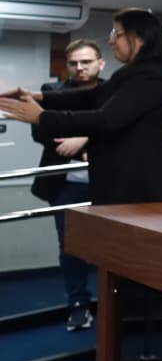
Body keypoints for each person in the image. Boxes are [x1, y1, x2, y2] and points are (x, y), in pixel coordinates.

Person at [1, 9, 162, 209]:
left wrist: (43, 117)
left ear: (140, 37)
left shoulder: (150, 75)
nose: (111, 41)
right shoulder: (132, 72)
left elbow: (106, 119)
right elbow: (93, 96)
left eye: (117, 34)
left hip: (141, 186)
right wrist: (39, 97)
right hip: (121, 182)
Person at [29, 39, 106, 330]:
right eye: (74, 63)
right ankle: (78, 304)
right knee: (71, 245)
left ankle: (115, 304)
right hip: (65, 184)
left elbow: (121, 125)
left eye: (86, 62)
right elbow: (40, 131)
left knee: (114, 243)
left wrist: (84, 140)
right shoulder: (52, 92)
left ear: (100, 63)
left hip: (109, 182)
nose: (80, 68)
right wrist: (85, 138)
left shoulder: (114, 92)